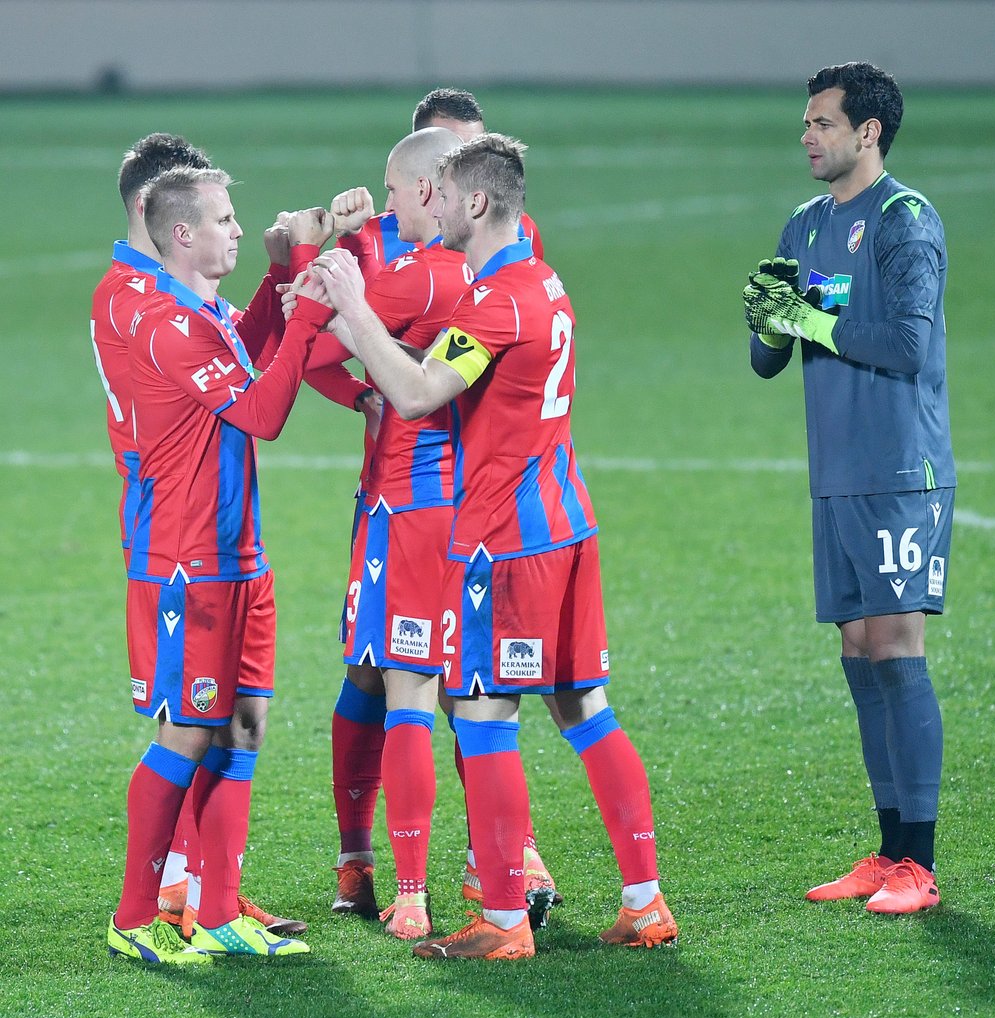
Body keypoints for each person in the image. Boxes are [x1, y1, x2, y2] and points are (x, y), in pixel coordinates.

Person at [314, 134, 678, 960]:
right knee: (585, 710)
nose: (428, 208)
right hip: (568, 523)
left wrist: (353, 308)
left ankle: (506, 919)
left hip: (505, 541)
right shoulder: (539, 283)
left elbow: (412, 395)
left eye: (439, 194)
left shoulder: (493, 301)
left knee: (480, 714)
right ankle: (644, 900)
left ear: (475, 202)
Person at [744, 61, 953, 915]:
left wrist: (810, 319)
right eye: (806, 122)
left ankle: (922, 865)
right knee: (859, 654)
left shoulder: (908, 220)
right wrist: (765, 319)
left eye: (822, 123)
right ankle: (887, 847)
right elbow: (768, 361)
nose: (807, 135)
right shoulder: (803, 224)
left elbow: (906, 344)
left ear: (867, 133)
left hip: (901, 469)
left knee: (898, 648)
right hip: (834, 473)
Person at [107, 166, 332, 962]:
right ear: (181, 235)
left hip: (240, 556)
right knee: (186, 735)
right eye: (225, 220)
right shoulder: (171, 325)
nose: (238, 229)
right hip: (186, 562)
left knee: (240, 726)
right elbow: (265, 411)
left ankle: (218, 908)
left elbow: (258, 346)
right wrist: (306, 303)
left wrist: (281, 280)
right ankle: (136, 918)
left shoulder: (208, 311)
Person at [332, 87, 542, 282]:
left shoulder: (518, 229)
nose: (470, 164)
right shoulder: (372, 239)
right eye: (453, 153)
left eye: (477, 150)